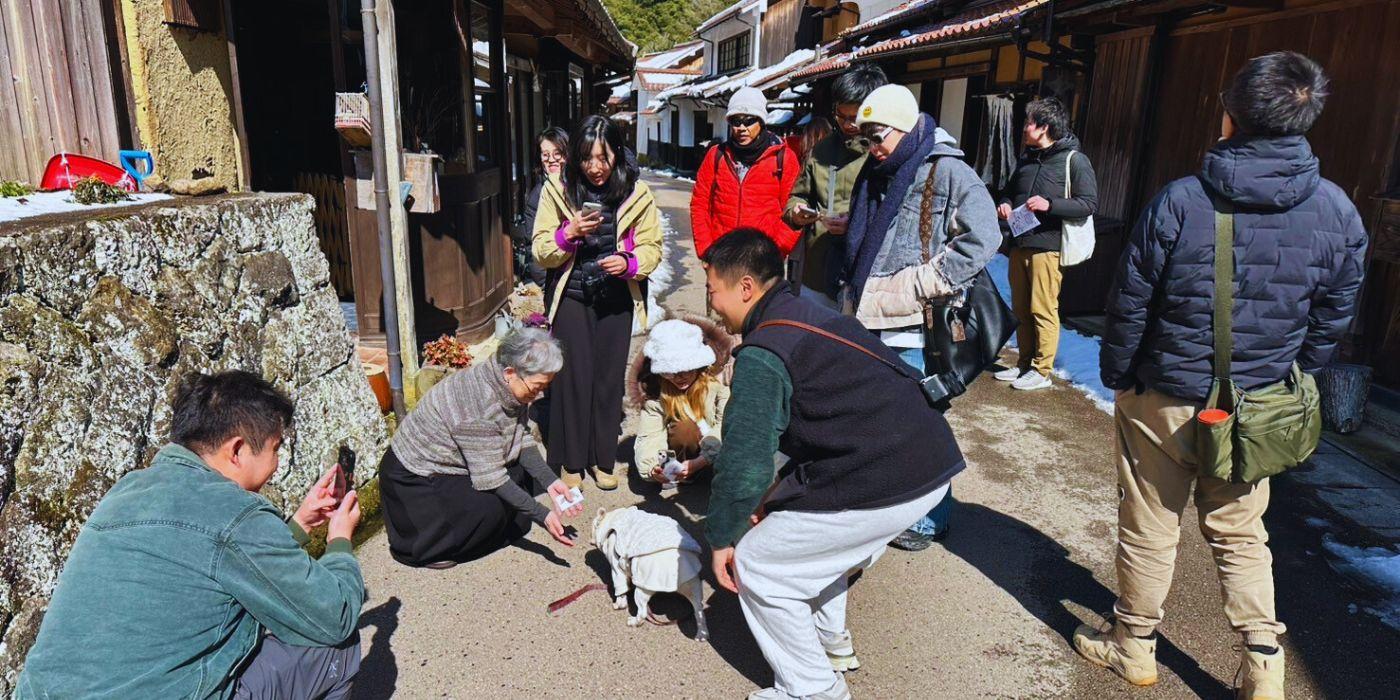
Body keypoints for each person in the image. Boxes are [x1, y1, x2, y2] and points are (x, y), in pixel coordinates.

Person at [1077, 52, 1367, 698]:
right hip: (1255, 409)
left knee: (1150, 526)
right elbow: (1334, 316)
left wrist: (1118, 374)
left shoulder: (1180, 201)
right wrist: (1293, 376)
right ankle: (1264, 666)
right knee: (1241, 533)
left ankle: (1135, 648)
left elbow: (1130, 303)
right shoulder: (1339, 214)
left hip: (1165, 400)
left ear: (1231, 116)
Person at [703, 228, 964, 700]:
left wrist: (723, 535)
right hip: (924, 461)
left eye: (712, 291)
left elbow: (745, 461)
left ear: (745, 288)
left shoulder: (764, 353)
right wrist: (774, 498)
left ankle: (813, 689)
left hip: (889, 473)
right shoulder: (806, 310)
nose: (712, 306)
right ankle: (830, 642)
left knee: (760, 564)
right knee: (809, 545)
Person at [16, 371, 365, 699]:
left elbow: (210, 560)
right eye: (274, 448)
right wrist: (339, 541)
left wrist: (300, 524)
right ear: (238, 449)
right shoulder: (233, 511)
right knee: (338, 647)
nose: (275, 463)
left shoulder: (128, 490)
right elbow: (333, 617)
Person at [842, 84, 1002, 551]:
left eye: (878, 137)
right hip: (870, 313)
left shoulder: (948, 170)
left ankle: (932, 518)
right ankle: (886, 507)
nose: (872, 149)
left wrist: (926, 280)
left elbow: (984, 236)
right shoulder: (880, 170)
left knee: (919, 426)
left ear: (906, 127)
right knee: (876, 422)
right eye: (865, 139)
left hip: (914, 321)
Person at [533, 115, 663, 490]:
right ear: (576, 157)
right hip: (572, 295)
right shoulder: (558, 189)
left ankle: (603, 459)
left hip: (615, 297)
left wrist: (629, 263)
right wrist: (568, 233)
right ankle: (573, 461)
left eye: (603, 158)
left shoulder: (637, 193)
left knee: (608, 381)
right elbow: (541, 249)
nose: (595, 167)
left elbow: (652, 247)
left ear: (616, 156)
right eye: (587, 158)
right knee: (574, 378)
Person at [380, 328, 583, 568]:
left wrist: (550, 482)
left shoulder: (508, 385)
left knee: (519, 481)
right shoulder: (478, 406)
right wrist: (542, 515)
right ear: (510, 373)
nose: (539, 395)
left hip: (456, 462)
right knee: (491, 507)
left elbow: (519, 437)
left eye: (544, 388)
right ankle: (429, 548)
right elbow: (492, 479)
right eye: (536, 387)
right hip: (415, 480)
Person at [994, 96, 1099, 391]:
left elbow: (1088, 203)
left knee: (1042, 308)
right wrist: (1003, 204)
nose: (1024, 128)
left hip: (1048, 246)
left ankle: (1041, 369)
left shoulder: (1073, 160)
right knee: (1021, 308)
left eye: (1028, 122)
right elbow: (1008, 191)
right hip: (1019, 242)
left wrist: (1049, 204)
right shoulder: (1027, 159)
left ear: (1043, 127)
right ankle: (1024, 363)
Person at [784, 65, 888, 307]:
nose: (848, 124)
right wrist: (798, 213)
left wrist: (853, 224)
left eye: (856, 117)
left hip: (867, 276)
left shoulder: (886, 152)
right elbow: (797, 197)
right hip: (818, 271)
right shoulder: (822, 150)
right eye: (841, 116)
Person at [691, 86, 801, 258]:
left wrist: (777, 251)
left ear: (761, 121)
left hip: (762, 259)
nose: (741, 127)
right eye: (735, 121)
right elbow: (700, 205)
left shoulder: (783, 157)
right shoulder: (716, 155)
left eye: (749, 120)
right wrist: (706, 251)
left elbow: (793, 211)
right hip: (723, 255)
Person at [629, 317, 735, 488]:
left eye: (686, 370)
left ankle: (706, 470)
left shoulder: (718, 382)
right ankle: (682, 473)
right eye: (670, 372)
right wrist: (652, 468)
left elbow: (727, 423)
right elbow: (650, 435)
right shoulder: (655, 391)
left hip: (717, 447)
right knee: (684, 429)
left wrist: (704, 459)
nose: (679, 378)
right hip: (688, 452)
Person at [513, 126, 570, 287]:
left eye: (557, 153)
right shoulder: (538, 195)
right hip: (556, 278)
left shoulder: (576, 187)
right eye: (545, 155)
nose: (551, 159)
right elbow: (535, 246)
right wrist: (547, 285)